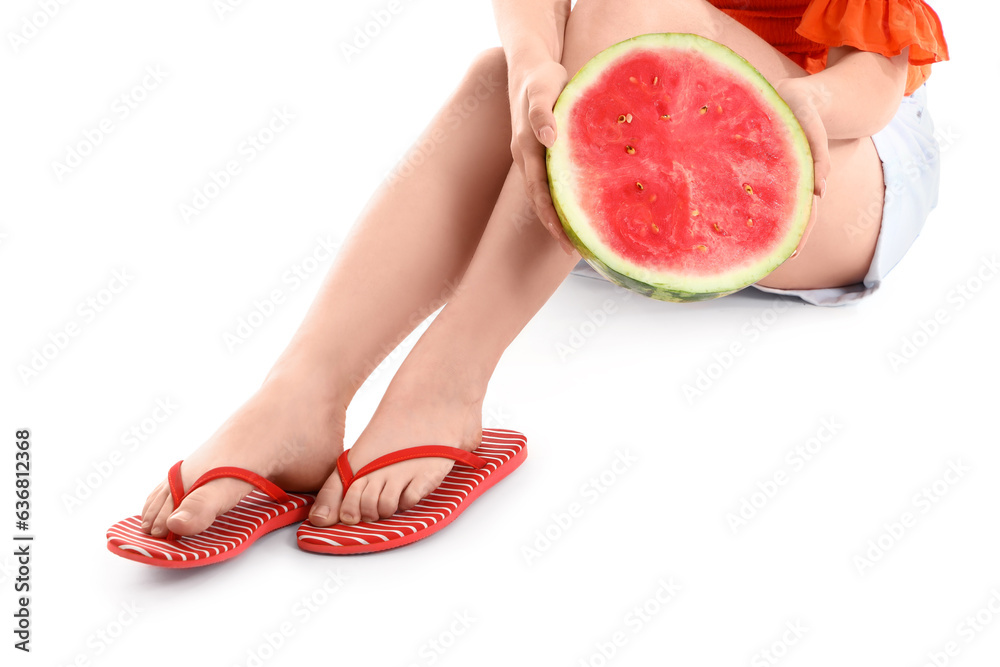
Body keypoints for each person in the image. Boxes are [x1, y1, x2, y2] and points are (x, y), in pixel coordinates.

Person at [138, 0, 948, 539]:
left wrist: (783, 118)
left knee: (628, 4)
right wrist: (534, 72)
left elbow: (874, 81)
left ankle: (447, 385)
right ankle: (300, 398)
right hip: (639, 121)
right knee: (494, 82)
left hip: (839, 149)